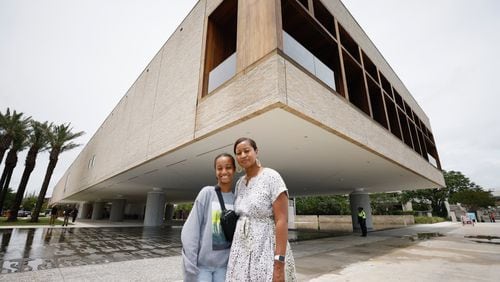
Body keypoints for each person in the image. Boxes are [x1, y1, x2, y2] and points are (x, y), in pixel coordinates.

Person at [226, 137, 296, 282]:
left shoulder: (271, 177)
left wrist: (279, 263)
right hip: (241, 249)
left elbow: (281, 220)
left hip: (266, 248)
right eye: (239, 153)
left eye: (247, 151)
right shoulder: (239, 183)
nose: (243, 155)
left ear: (256, 151)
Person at [181, 153, 236, 282]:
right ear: (215, 172)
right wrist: (190, 262)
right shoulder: (207, 193)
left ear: (234, 170)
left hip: (224, 267)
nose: (224, 171)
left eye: (228, 167)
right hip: (202, 266)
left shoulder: (237, 199)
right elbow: (191, 230)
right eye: (219, 168)